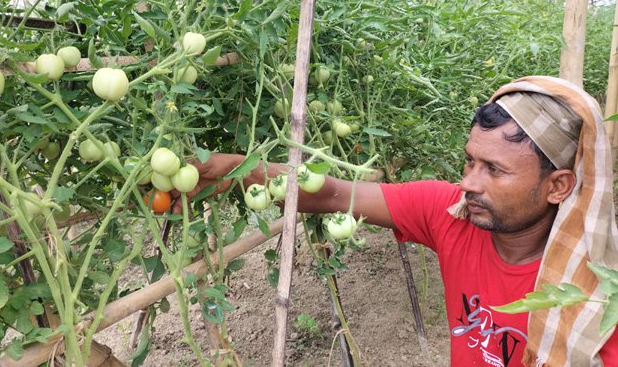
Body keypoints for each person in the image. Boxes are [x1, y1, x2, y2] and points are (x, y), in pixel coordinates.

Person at [185, 76, 618, 367]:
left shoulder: (598, 303)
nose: (468, 183)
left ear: (558, 186)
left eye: (495, 170)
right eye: (469, 161)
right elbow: (335, 193)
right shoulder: (450, 213)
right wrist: (229, 168)